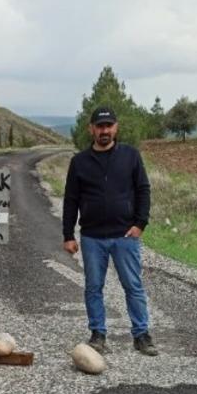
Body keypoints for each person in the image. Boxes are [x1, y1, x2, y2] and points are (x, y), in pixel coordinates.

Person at [62, 105, 157, 355]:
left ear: (116, 127)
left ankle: (141, 335)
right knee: (93, 287)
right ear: (91, 129)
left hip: (125, 236)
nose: (105, 130)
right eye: (100, 126)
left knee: (133, 286)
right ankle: (98, 334)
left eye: (109, 126)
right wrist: (68, 235)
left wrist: (140, 224)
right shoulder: (79, 162)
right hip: (92, 237)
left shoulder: (130, 155)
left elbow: (143, 189)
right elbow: (71, 199)